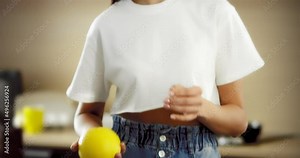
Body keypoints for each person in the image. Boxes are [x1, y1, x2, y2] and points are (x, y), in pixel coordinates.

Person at [66, 0, 264, 157]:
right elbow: (87, 114)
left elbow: (238, 123)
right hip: (127, 151)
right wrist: (90, 136)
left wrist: (202, 108)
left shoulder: (217, 11)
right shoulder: (105, 23)